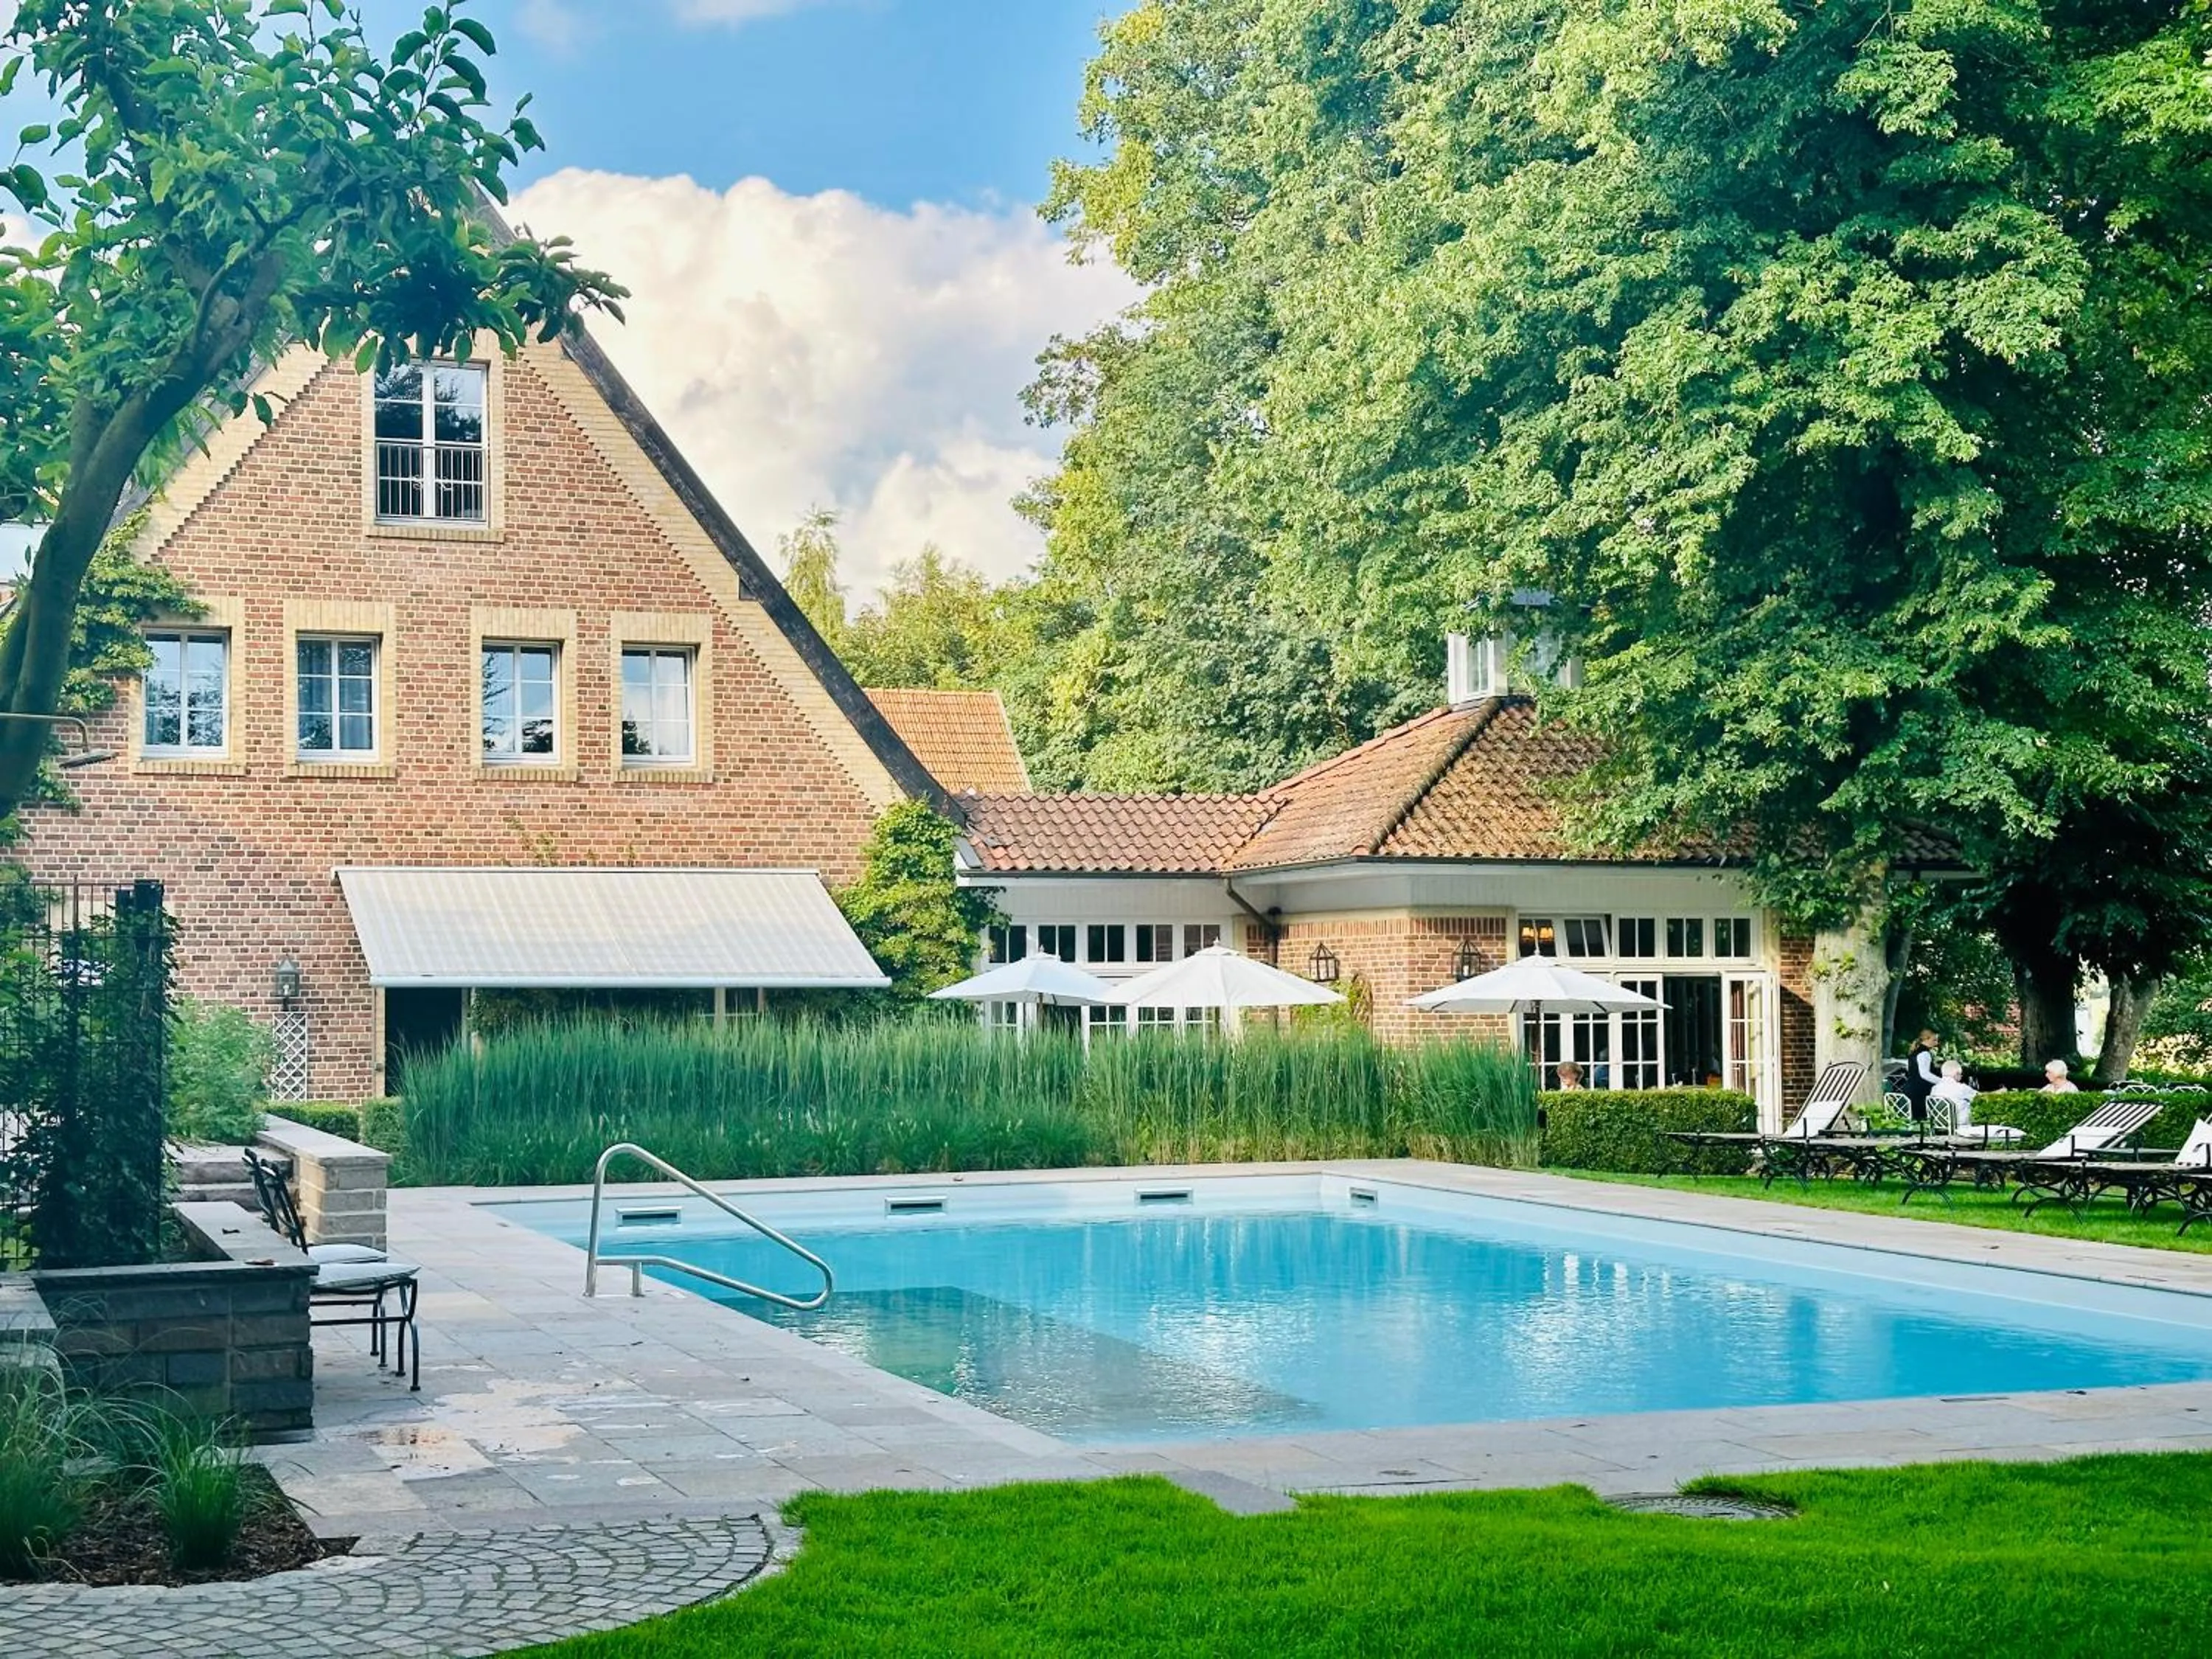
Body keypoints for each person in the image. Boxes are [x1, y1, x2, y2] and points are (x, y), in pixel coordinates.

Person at [1902, 1029, 1942, 1122]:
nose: (1936, 1043)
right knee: (1921, 1119)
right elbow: (1925, 1074)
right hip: (1920, 1090)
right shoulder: (1924, 1053)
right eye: (1934, 1040)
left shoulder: (1914, 1053)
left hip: (1911, 1087)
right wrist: (1942, 1081)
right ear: (1926, 1039)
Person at [1929, 1059, 1978, 1130]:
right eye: (1961, 1074)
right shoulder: (1962, 1088)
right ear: (1956, 1074)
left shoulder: (1935, 1088)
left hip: (1939, 1124)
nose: (1961, 1077)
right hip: (1961, 1126)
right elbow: (1980, 1098)